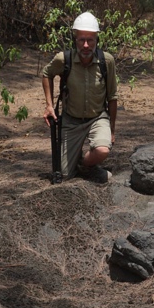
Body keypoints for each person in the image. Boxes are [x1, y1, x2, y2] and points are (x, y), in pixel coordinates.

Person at [41, 11, 118, 183]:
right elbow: (47, 73)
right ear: (75, 39)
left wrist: (112, 129)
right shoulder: (64, 59)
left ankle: (85, 165)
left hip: (97, 118)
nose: (85, 45)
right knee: (64, 175)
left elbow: (112, 97)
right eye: (81, 40)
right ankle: (80, 166)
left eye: (90, 40)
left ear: (97, 40)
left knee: (103, 150)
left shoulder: (107, 61)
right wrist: (49, 105)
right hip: (71, 121)